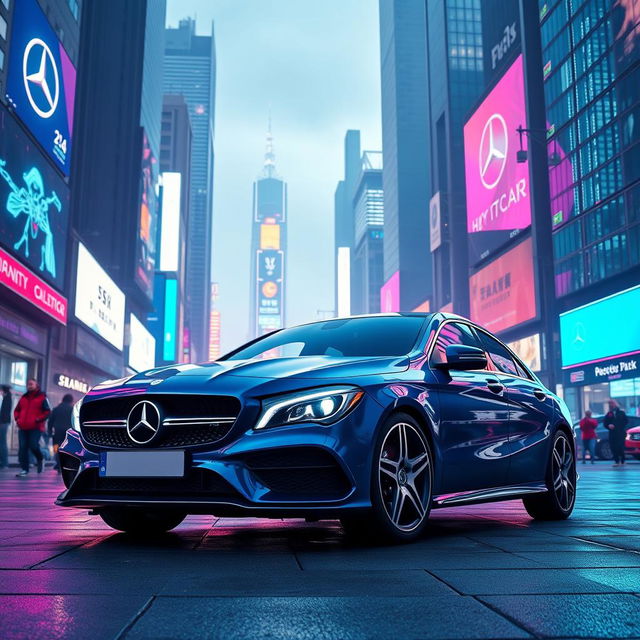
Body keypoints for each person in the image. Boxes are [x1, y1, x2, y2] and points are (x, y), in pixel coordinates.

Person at [14, 378, 50, 477]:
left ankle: (40, 458)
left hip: (36, 427)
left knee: (33, 445)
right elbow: (17, 410)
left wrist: (38, 419)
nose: (29, 386)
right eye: (28, 384)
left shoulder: (42, 397)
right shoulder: (23, 397)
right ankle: (24, 469)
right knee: (22, 448)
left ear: (36, 385)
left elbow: (47, 411)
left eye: (31, 384)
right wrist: (17, 419)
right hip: (23, 427)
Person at [48, 394, 73, 472]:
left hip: (57, 432)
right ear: (71, 401)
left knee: (56, 447)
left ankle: (57, 462)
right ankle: (63, 464)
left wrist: (49, 431)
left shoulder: (56, 409)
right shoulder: (72, 409)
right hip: (68, 432)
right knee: (66, 448)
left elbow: (50, 421)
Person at [603, 399, 629, 467]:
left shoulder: (621, 413)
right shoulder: (609, 414)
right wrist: (608, 425)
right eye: (609, 404)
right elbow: (605, 423)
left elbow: (625, 421)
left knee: (620, 447)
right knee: (613, 447)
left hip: (620, 433)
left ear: (615, 404)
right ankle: (617, 461)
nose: (610, 405)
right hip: (612, 434)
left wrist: (617, 425)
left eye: (611, 403)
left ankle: (622, 460)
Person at [0, 385, 11, 468]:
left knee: (2, 442)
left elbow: (3, 412)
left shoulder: (5, 399)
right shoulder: (7, 398)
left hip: (3, 423)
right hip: (4, 422)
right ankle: (4, 462)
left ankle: (4, 463)